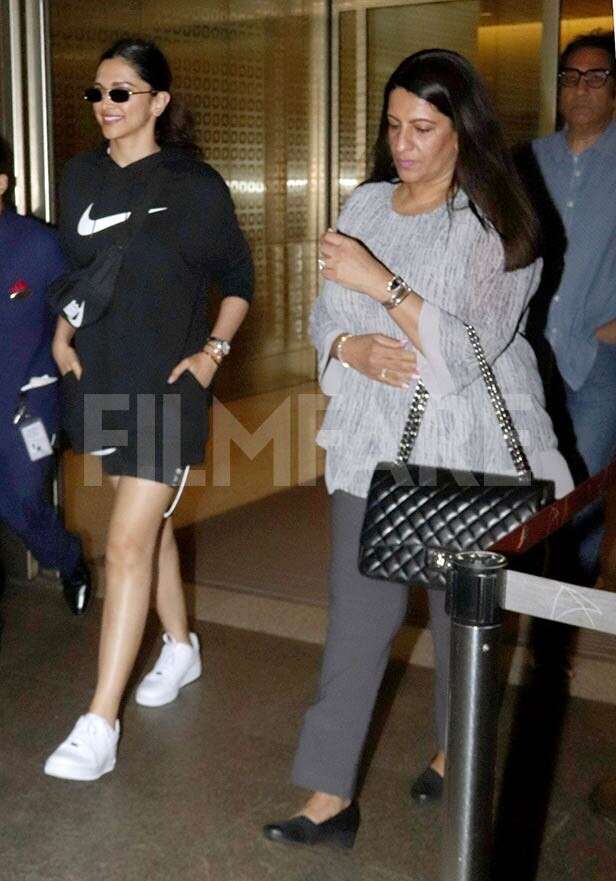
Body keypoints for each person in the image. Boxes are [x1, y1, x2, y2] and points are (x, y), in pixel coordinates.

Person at [263, 48, 573, 848]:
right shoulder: (365, 203)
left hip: (468, 454)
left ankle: (456, 753)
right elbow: (324, 312)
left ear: (462, 132)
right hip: (371, 445)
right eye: (395, 125)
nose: (403, 143)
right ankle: (329, 796)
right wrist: (347, 348)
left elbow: (463, 361)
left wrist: (383, 288)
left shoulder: (501, 225)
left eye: (423, 128)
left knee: (459, 628)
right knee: (356, 620)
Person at [44, 38, 253, 781]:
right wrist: (63, 334)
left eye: (122, 93)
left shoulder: (195, 186)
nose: (105, 106)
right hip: (100, 373)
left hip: (168, 382)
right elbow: (84, 270)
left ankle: (100, 721)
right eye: (97, 93)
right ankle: (183, 647)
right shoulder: (79, 177)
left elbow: (237, 279)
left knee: (125, 543)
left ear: (158, 102)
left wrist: (211, 356)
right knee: (143, 525)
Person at [529, 31, 616, 586]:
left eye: (595, 77)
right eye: (570, 77)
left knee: (581, 500)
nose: (580, 88)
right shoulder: (530, 160)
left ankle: (554, 643)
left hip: (597, 360)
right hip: (530, 357)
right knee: (524, 486)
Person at [0, 136, 91, 615]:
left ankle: (69, 559)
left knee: (24, 503)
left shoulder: (38, 244)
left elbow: (79, 297)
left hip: (26, 405)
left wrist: (62, 343)